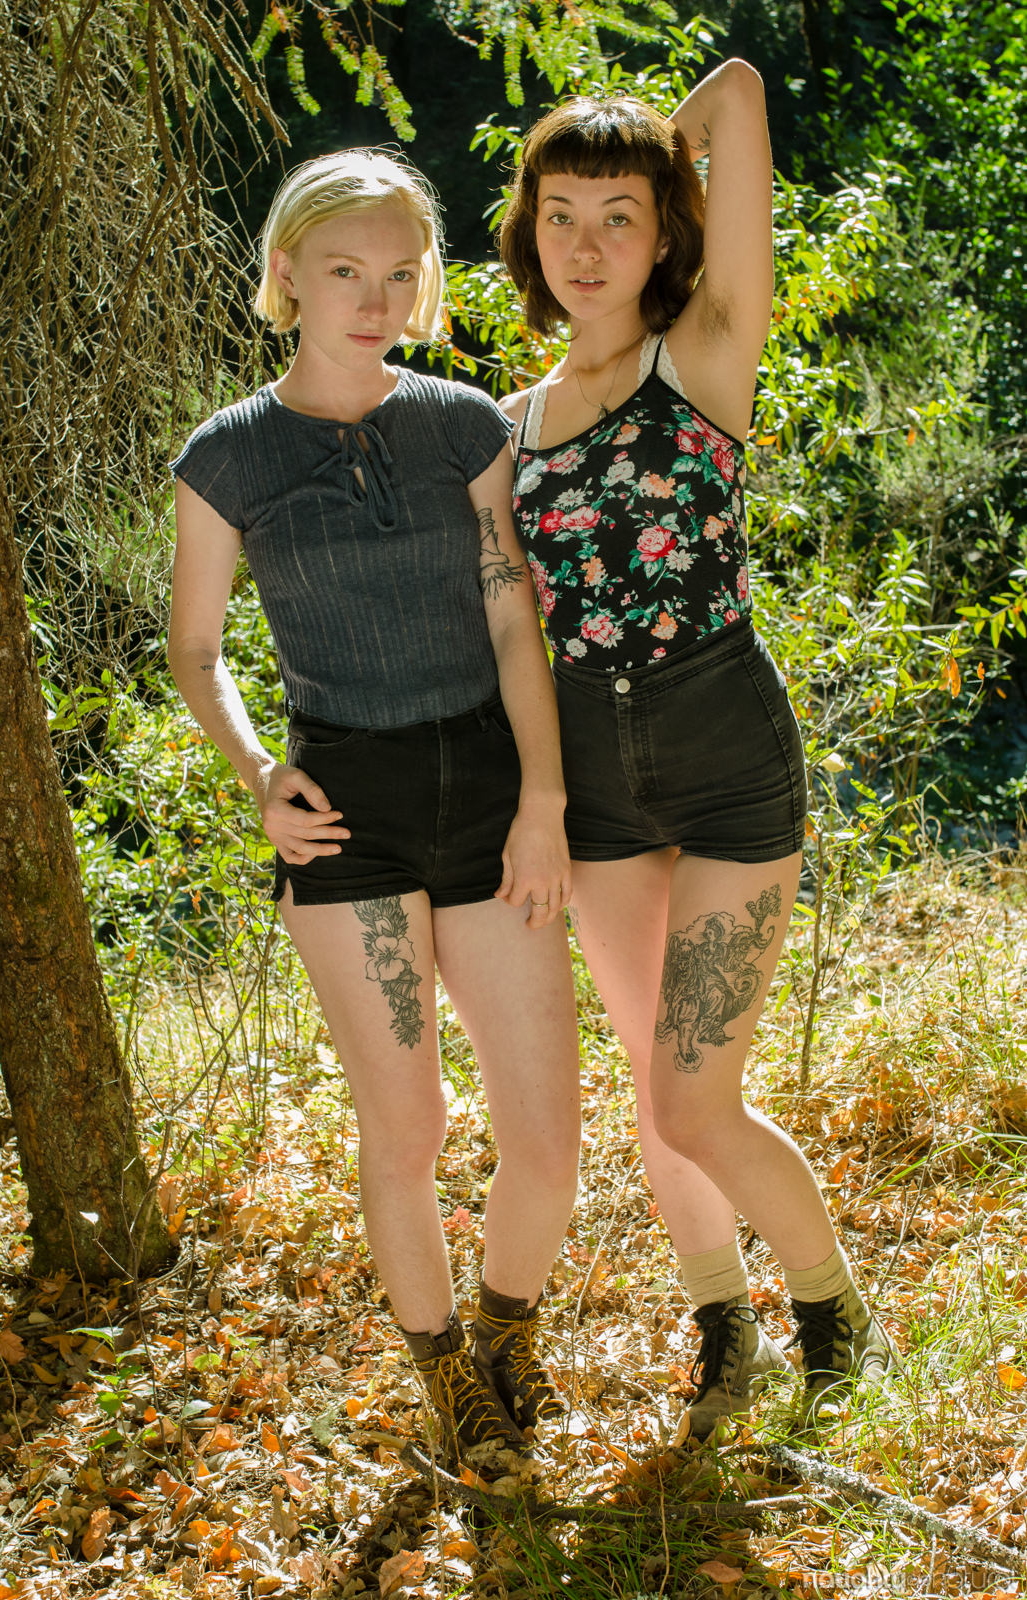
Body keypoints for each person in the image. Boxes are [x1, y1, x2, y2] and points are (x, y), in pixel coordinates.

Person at [498, 61, 896, 1432]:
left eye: (621, 217)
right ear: (528, 235)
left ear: (667, 229)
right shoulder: (508, 429)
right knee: (656, 1084)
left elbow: (736, 95)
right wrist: (538, 800)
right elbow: (513, 634)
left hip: (727, 756)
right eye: (561, 215)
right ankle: (723, 1322)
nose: (588, 246)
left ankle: (830, 1308)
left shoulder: (707, 349)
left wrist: (639, 145)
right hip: (599, 792)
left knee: (693, 1096)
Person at [167, 149, 581, 1468]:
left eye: (401, 276)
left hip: (490, 796)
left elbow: (513, 618)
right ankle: (449, 1379)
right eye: (346, 272)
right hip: (344, 814)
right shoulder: (228, 456)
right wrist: (258, 776)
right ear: (286, 272)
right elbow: (195, 651)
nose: (375, 301)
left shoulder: (464, 424)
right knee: (408, 1126)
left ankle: (505, 1334)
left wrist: (544, 800)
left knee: (548, 1137)